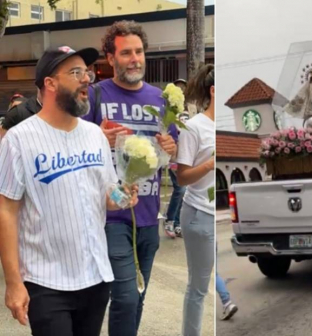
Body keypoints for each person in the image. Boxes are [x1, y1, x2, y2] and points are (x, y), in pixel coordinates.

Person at [0, 46, 138, 336]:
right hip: (46, 282)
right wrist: (13, 282)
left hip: (95, 276)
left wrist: (124, 196)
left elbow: (106, 195)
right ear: (49, 83)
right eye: (75, 73)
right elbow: (7, 211)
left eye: (86, 72)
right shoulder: (18, 140)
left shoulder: (95, 137)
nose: (86, 79)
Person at [83, 21, 178, 336]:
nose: (135, 58)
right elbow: (70, 141)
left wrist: (170, 147)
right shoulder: (95, 96)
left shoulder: (160, 99)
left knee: (137, 295)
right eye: (126, 53)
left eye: (139, 52)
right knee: (124, 296)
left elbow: (171, 155)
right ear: (111, 59)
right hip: (110, 214)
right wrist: (98, 137)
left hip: (149, 215)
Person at [175, 64, 215, 334]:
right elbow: (182, 177)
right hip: (199, 213)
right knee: (199, 287)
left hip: (216, 214)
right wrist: (211, 164)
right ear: (213, 91)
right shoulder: (194, 127)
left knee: (208, 284)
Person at [163, 78, 190, 238]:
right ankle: (169, 220)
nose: (181, 90)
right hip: (174, 155)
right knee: (180, 189)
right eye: (178, 87)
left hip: (187, 155)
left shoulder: (191, 109)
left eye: (183, 88)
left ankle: (178, 223)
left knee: (184, 191)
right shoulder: (168, 111)